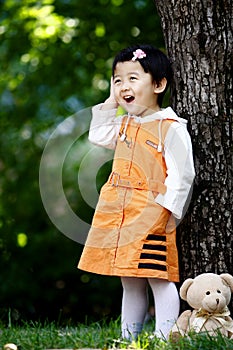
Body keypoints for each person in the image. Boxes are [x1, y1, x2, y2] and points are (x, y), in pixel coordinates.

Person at [78, 44, 195, 340]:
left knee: (158, 275)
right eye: (118, 80)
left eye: (133, 79)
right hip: (118, 211)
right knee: (129, 279)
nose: (123, 86)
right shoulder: (124, 123)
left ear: (158, 84)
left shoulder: (170, 126)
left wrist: (169, 212)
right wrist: (110, 100)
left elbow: (183, 174)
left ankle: (163, 335)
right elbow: (97, 134)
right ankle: (128, 338)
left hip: (152, 211)